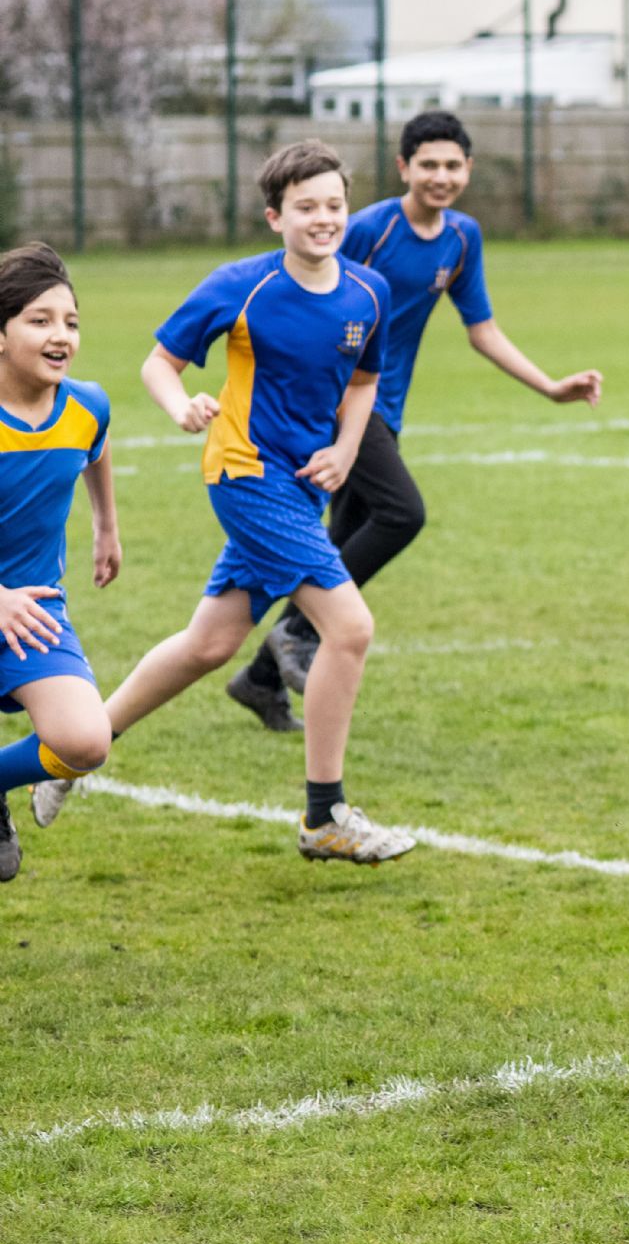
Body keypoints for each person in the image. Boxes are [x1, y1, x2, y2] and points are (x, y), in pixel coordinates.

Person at [29, 141, 413, 864]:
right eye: (306, 208)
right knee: (350, 629)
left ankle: (69, 754)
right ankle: (323, 815)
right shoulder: (242, 286)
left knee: (209, 645)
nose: (324, 219)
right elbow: (158, 362)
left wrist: (348, 449)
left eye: (335, 205)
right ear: (275, 216)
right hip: (243, 474)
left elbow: (364, 382)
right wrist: (179, 406)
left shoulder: (369, 292)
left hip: (297, 491)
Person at [231, 111, 602, 729]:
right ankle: (296, 635)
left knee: (343, 544)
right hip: (335, 407)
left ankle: (262, 679)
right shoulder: (368, 228)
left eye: (452, 165)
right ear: (403, 168)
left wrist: (549, 387)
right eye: (427, 164)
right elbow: (297, 284)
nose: (441, 176)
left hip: (384, 407)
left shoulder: (462, 238)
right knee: (402, 514)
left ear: (468, 170)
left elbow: (480, 328)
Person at [0, 246, 119, 883]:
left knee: (85, 742)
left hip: (35, 616)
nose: (61, 335)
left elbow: (94, 448)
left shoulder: (86, 404)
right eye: (39, 320)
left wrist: (106, 527)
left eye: (70, 322)